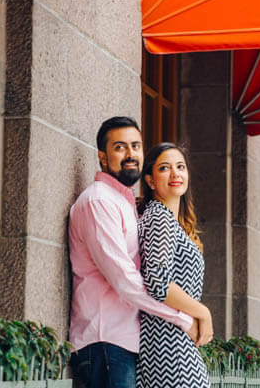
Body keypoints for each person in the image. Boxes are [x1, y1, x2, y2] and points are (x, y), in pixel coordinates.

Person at [68, 117, 199, 388]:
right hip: (104, 341)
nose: (131, 154)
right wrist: (183, 317)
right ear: (102, 157)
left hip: (124, 342)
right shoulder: (98, 201)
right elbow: (124, 280)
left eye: (136, 146)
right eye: (120, 148)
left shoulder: (124, 202)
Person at [136, 142, 212, 388]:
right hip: (166, 344)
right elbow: (158, 284)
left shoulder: (172, 220)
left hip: (175, 340)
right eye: (164, 168)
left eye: (180, 167)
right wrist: (203, 312)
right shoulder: (159, 217)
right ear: (150, 180)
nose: (175, 174)